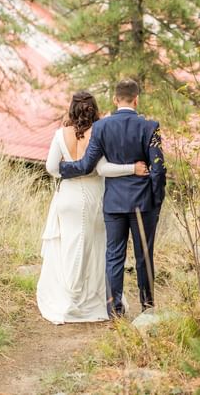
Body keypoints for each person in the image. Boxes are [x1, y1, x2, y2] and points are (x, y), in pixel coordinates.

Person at [37, 91, 149, 324]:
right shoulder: (99, 132)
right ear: (94, 109)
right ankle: (94, 302)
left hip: (67, 197)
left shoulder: (60, 134)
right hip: (94, 197)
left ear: (72, 109)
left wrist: (71, 170)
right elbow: (104, 169)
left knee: (70, 245)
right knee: (97, 248)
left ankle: (68, 298)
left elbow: (51, 168)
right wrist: (132, 168)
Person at [59, 79, 166, 317]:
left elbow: (88, 165)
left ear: (116, 100)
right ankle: (147, 306)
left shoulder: (101, 128)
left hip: (114, 203)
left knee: (114, 255)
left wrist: (63, 169)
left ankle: (114, 309)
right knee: (144, 256)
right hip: (143, 203)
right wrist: (157, 200)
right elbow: (159, 169)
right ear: (136, 99)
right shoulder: (150, 127)